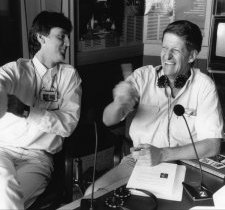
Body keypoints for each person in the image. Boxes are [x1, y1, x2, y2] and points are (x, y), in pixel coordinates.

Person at [85, 20, 224, 195]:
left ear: (191, 56)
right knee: (93, 194)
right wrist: (119, 103)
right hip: (138, 161)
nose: (167, 56)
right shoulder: (143, 77)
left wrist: (162, 154)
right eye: (165, 48)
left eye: (175, 50)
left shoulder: (204, 86)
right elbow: (108, 119)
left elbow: (212, 145)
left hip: (184, 163)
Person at [0, 11, 82, 209]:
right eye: (61, 36)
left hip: (38, 159)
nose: (68, 43)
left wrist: (27, 111)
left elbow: (68, 124)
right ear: (41, 37)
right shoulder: (16, 70)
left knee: (10, 198)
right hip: (3, 150)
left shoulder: (69, 76)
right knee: (4, 185)